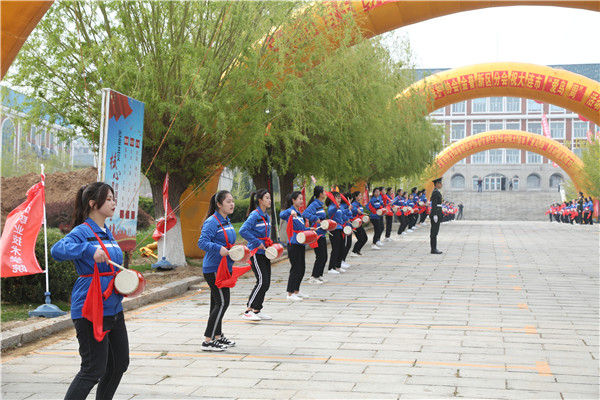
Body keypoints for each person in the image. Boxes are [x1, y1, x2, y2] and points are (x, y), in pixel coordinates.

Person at [51, 182, 129, 400]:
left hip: (113, 307)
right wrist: (86, 249)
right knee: (93, 369)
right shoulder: (82, 232)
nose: (114, 203)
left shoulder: (107, 232)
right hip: (91, 307)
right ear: (93, 204)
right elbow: (57, 250)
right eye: (109, 199)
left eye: (113, 198)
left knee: (119, 364)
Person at [197, 190, 237, 351]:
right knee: (222, 302)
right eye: (228, 201)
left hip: (225, 268)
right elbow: (202, 242)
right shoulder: (212, 222)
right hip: (214, 268)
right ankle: (208, 341)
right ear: (219, 204)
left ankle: (218, 336)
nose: (232, 204)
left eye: (232, 201)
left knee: (217, 303)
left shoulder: (226, 221)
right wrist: (217, 248)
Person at [239, 189, 273, 321]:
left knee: (266, 282)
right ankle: (248, 310)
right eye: (267, 198)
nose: (270, 200)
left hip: (264, 252)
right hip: (255, 252)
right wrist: (257, 242)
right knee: (262, 281)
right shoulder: (255, 215)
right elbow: (243, 230)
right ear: (260, 200)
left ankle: (257, 310)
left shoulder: (266, 215)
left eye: (270, 198)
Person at [280, 191, 312, 300]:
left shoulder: (299, 213)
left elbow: (301, 228)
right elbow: (281, 215)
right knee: (295, 268)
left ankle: (296, 291)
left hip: (301, 242)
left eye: (302, 199)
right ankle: (290, 293)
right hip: (293, 243)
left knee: (302, 268)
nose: (302, 201)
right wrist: (291, 212)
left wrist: (310, 229)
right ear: (293, 200)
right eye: (300, 199)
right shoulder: (291, 211)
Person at [303, 186, 328, 284]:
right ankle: (313, 277)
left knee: (324, 256)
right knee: (320, 256)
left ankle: (319, 275)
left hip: (322, 233)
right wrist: (315, 218)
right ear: (320, 194)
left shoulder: (320, 205)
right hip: (317, 234)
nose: (325, 193)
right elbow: (305, 213)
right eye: (324, 192)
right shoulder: (314, 204)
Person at [326, 191, 346, 274]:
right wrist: (336, 207)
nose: (339, 199)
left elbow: (343, 215)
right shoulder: (332, 207)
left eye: (340, 198)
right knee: (335, 248)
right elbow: (330, 212)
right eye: (337, 198)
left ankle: (338, 266)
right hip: (334, 229)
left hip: (341, 228)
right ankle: (331, 267)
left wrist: (348, 209)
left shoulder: (339, 207)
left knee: (341, 248)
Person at [349, 191, 368, 257]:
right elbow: (351, 209)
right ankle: (354, 251)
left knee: (365, 238)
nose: (361, 197)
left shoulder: (359, 204)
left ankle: (357, 251)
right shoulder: (354, 204)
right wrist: (356, 210)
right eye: (359, 195)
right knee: (360, 238)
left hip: (359, 223)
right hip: (355, 223)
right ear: (355, 197)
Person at [429, 177, 443, 254]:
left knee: (435, 232)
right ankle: (433, 249)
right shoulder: (435, 192)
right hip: (436, 213)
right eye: (440, 183)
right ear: (437, 184)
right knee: (434, 232)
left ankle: (434, 248)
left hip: (437, 212)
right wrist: (435, 214)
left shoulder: (437, 192)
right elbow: (434, 204)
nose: (441, 184)